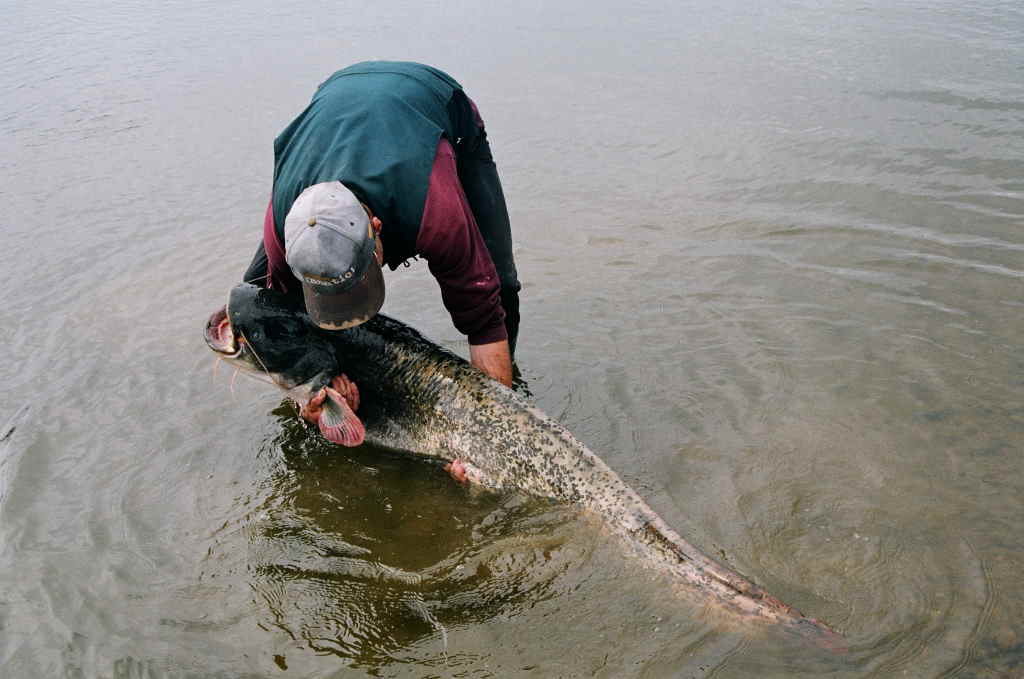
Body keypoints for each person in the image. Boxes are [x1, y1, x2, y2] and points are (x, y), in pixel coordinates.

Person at [242, 62, 521, 426]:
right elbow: (283, 324)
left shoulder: (434, 210)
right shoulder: (283, 225)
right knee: (255, 301)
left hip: (435, 105)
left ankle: (514, 390)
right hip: (335, 102)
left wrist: (492, 428)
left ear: (376, 228)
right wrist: (310, 401)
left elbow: (483, 322)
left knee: (498, 284)